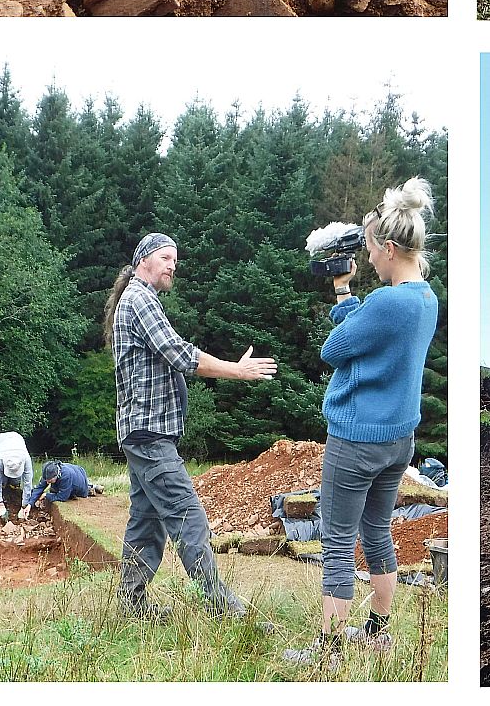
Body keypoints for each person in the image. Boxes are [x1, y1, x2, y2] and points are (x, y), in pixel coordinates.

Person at [285, 180, 440, 665]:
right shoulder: (425, 298)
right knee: (377, 532)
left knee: (336, 539)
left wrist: (345, 298)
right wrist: (344, 291)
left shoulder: (388, 303)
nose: (368, 258)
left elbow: (335, 349)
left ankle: (328, 651)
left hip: (356, 439)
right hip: (398, 440)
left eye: (372, 250)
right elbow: (366, 339)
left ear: (390, 249)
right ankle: (377, 632)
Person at [103, 232, 278, 624]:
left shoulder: (140, 299)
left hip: (145, 432)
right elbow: (182, 355)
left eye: (175, 261)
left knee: (146, 521)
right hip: (149, 434)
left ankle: (130, 606)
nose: (172, 266)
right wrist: (237, 370)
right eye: (166, 258)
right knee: (188, 515)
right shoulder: (139, 299)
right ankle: (225, 610)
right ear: (144, 259)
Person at [27, 459, 105, 511]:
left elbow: (62, 497)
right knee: (53, 489)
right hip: (75, 470)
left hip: (79, 481)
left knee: (83, 492)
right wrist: (30, 504)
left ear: (56, 475)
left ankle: (92, 488)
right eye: (46, 480)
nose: (47, 483)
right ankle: (93, 485)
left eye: (49, 481)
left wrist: (45, 495)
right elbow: (39, 488)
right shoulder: (48, 472)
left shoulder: (65, 476)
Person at [0, 430, 35, 521]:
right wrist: (0, 505)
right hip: (0, 442)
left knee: (15, 482)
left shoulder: (26, 459)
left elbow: (28, 484)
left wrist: (24, 506)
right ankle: (3, 495)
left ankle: (13, 493)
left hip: (17, 439)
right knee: (2, 481)